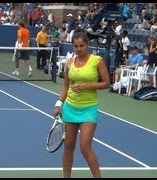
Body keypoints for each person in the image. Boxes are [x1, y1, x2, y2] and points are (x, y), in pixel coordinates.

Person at [52, 30, 110, 178]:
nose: (79, 49)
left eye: (82, 46)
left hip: (89, 109)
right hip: (70, 107)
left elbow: (106, 83)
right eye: (76, 46)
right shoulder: (70, 62)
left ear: (87, 44)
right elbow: (66, 85)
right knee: (68, 146)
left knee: (85, 147)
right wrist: (59, 104)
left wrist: (87, 86)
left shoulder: (97, 61)